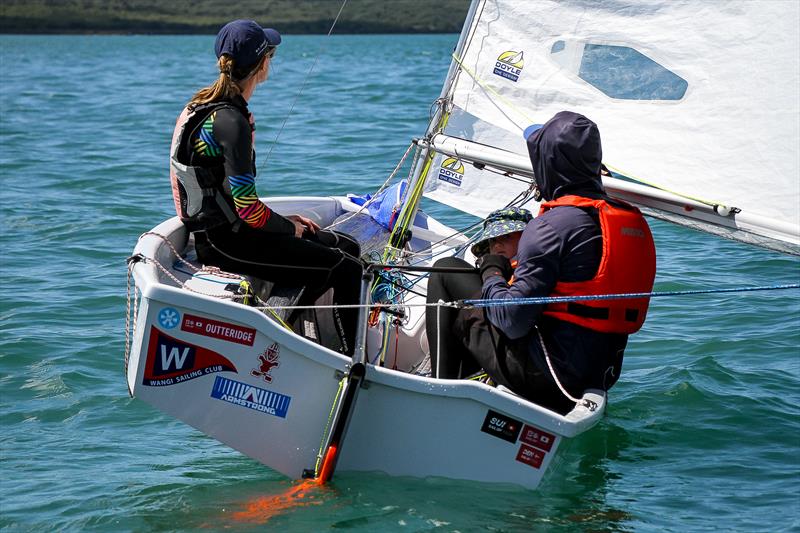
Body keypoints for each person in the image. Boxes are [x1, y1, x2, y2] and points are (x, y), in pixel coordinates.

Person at [425, 111, 656, 414]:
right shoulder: (628, 222)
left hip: (545, 377)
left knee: (447, 271)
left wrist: (492, 269)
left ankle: (439, 395)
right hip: (599, 375)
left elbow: (512, 321)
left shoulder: (551, 226)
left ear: (548, 164)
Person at [169, 19, 363, 355]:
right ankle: (345, 365)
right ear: (263, 63)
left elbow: (181, 183)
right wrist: (290, 227)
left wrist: (290, 226)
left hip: (230, 231)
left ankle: (292, 333)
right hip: (226, 242)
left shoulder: (198, 106)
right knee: (346, 268)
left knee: (346, 245)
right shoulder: (231, 121)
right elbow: (246, 207)